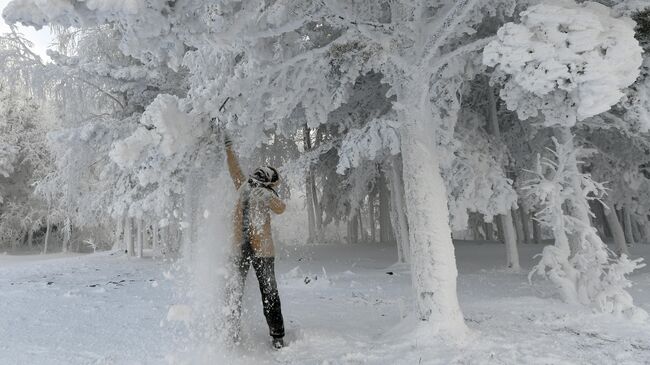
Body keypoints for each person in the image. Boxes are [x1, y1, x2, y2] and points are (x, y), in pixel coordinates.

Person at [223, 133, 286, 349]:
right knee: (234, 289)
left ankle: (277, 335)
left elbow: (281, 208)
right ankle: (229, 332)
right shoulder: (243, 186)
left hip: (263, 252)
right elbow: (234, 168)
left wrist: (268, 197)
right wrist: (228, 145)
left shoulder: (268, 195)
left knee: (269, 292)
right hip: (239, 248)